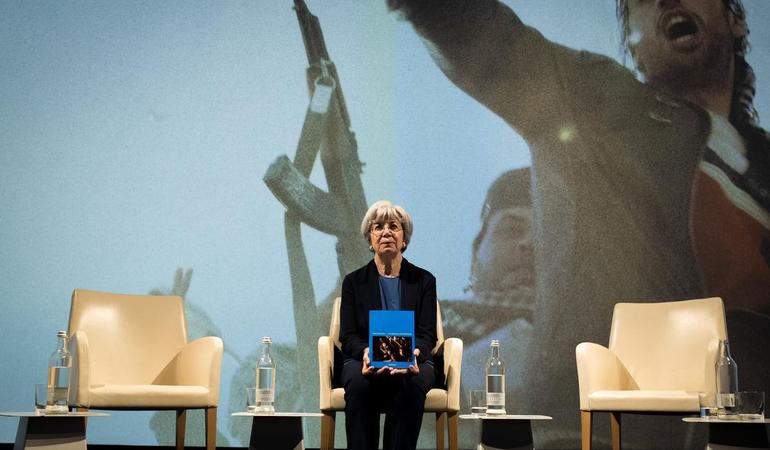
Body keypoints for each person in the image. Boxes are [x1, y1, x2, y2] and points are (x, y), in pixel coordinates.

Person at [387, 0, 770, 447]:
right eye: (640, 4)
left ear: (737, 20)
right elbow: (487, 42)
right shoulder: (601, 105)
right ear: (636, 50)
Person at [339, 200, 437, 450]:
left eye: (394, 226)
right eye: (378, 227)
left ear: (404, 238)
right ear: (370, 240)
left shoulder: (424, 280)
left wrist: (414, 354)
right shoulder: (353, 282)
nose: (386, 232)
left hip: (413, 359)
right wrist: (366, 353)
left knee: (411, 384)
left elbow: (427, 334)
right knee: (359, 384)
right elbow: (348, 335)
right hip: (365, 358)